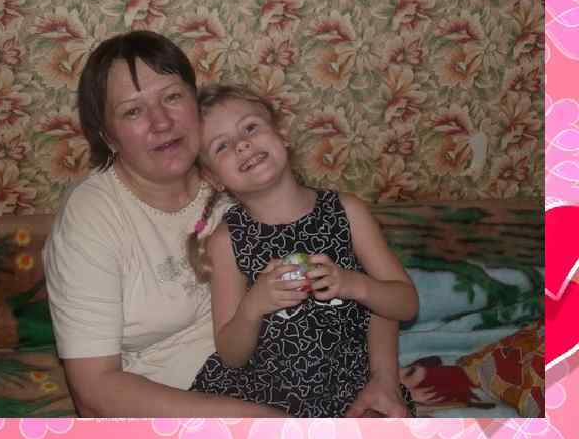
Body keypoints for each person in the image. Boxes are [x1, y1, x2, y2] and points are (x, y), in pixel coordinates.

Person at [43, 30, 411, 417]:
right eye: (133, 111)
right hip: (189, 405)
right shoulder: (93, 218)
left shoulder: (244, 176)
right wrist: (269, 425)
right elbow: (93, 392)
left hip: (307, 381)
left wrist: (382, 378)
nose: (161, 122)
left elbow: (359, 271)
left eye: (172, 97)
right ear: (109, 137)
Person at [187, 84, 419, 417]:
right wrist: (253, 306)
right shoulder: (226, 241)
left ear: (281, 135)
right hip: (261, 392)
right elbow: (231, 355)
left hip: (347, 387)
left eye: (250, 127)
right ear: (213, 178)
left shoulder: (347, 211)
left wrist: (354, 284)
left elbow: (407, 304)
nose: (242, 144)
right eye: (222, 145)